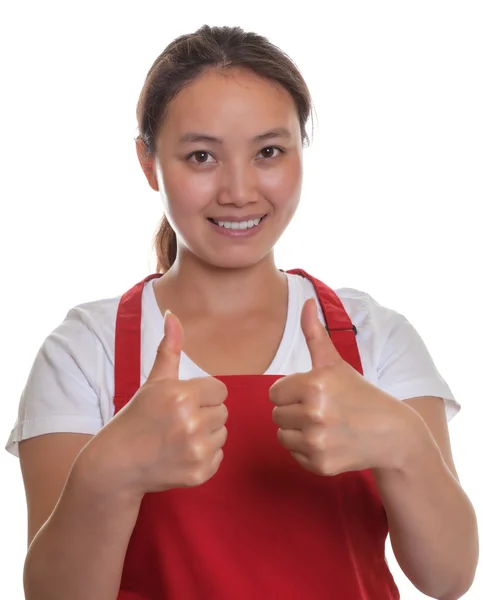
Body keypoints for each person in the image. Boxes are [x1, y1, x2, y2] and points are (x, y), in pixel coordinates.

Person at [6, 24, 478, 600]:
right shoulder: (85, 350)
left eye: (269, 152)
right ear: (149, 162)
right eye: (201, 155)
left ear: (301, 153)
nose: (238, 190)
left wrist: (404, 444)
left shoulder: (375, 338)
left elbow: (450, 578)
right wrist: (108, 474)